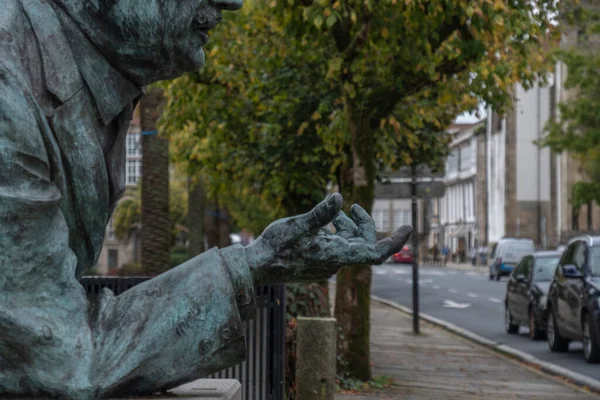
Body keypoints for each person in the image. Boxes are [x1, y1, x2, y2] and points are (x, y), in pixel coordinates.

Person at [0, 1, 412, 399]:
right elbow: (65, 359)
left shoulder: (85, 76)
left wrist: (260, 262)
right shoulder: (9, 86)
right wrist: (251, 266)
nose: (230, 3)